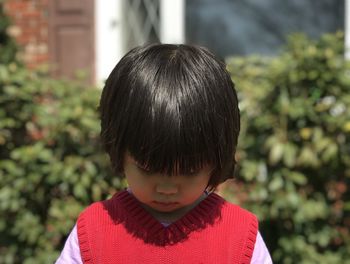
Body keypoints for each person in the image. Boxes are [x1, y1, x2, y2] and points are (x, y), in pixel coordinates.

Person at [55, 44, 272, 263]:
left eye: (189, 171)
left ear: (217, 158)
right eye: (148, 169)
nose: (166, 189)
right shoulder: (93, 232)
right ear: (118, 149)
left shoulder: (241, 237)